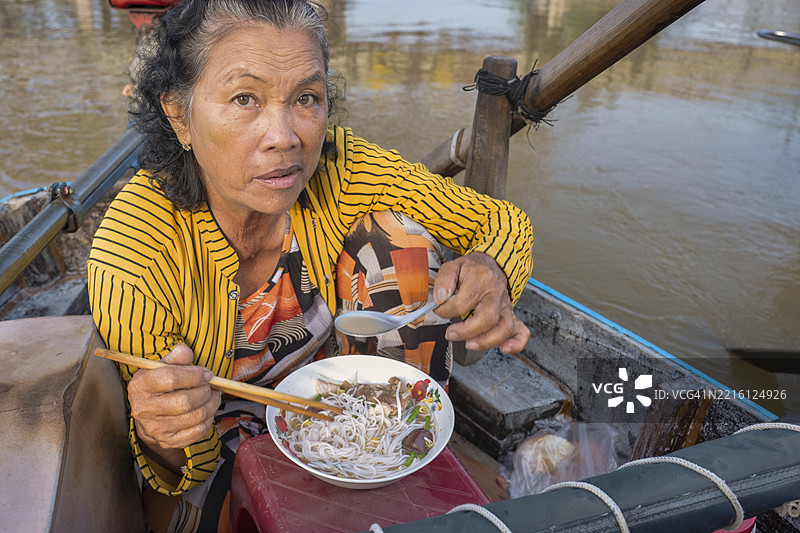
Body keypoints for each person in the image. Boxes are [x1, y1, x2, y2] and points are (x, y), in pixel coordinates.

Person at [87, 0, 533, 531]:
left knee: (399, 243)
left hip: (342, 406)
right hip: (219, 446)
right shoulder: (136, 252)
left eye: (306, 98)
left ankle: (400, 444)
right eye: (244, 98)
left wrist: (492, 269)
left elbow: (501, 222)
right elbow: (175, 468)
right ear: (180, 115)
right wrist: (164, 434)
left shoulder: (339, 169)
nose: (285, 137)